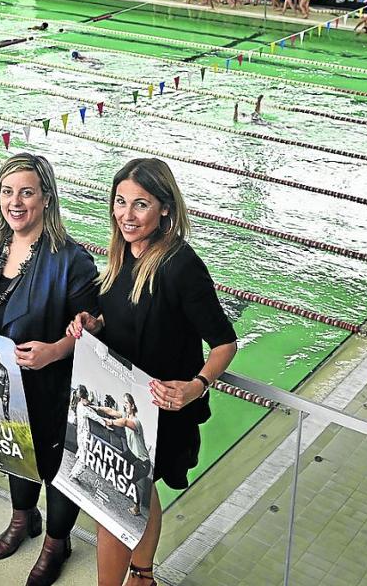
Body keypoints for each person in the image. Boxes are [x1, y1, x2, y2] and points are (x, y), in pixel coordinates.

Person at [67, 158, 239, 586]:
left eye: (140, 204)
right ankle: (143, 575)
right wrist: (94, 323)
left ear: (165, 208)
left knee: (112, 507)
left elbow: (225, 343)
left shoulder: (181, 265)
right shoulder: (123, 253)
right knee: (138, 493)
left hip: (161, 408)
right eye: (120, 202)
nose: (126, 215)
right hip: (122, 397)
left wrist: (197, 386)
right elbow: (121, 314)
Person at [0, 153, 99, 585]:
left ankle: (56, 543)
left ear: (46, 198)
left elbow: (94, 325)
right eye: (7, 191)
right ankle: (22, 518)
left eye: (26, 193)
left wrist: (56, 350)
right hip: (5, 382)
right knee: (15, 449)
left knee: (54, 464)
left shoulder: (71, 259)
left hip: (51, 385)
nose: (15, 202)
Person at [96, 393, 151, 517]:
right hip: (133, 454)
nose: (125, 405)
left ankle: (137, 507)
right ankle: (121, 484)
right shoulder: (124, 415)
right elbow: (111, 411)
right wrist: (97, 408)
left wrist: (111, 422)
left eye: (127, 403)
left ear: (132, 406)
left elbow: (125, 422)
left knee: (131, 478)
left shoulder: (136, 422)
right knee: (117, 461)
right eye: (124, 403)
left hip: (143, 461)